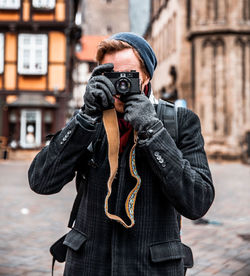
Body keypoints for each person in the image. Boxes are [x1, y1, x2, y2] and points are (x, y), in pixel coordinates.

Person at [28, 32, 214, 276]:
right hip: (90, 265)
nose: (119, 85)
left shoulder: (179, 122)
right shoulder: (89, 121)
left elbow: (198, 201)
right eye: (110, 76)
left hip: (151, 269)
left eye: (128, 76)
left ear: (146, 77)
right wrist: (84, 118)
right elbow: (41, 181)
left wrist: (152, 130)